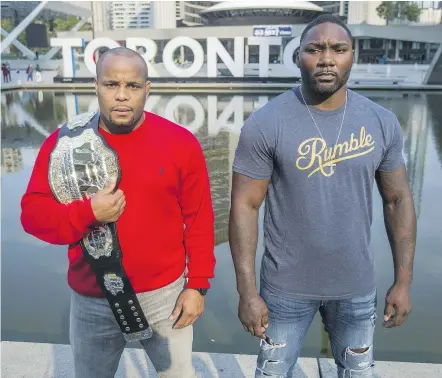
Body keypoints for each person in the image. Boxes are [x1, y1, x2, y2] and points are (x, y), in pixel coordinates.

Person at [229, 15, 416, 378]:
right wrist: (247, 292)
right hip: (284, 290)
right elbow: (244, 207)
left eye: (338, 49)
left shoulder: (381, 121)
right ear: (298, 56)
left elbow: (398, 200)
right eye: (315, 49)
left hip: (356, 286)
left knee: (358, 372)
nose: (327, 58)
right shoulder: (266, 123)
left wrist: (404, 281)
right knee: (272, 373)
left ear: (352, 56)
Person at [21, 47, 216, 378]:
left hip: (165, 297)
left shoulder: (180, 143)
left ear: (147, 89)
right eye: (111, 85)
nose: (122, 96)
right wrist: (86, 213)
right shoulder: (65, 143)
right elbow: (32, 215)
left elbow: (199, 220)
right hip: (92, 298)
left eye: (133, 86)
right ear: (95, 86)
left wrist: (197, 286)